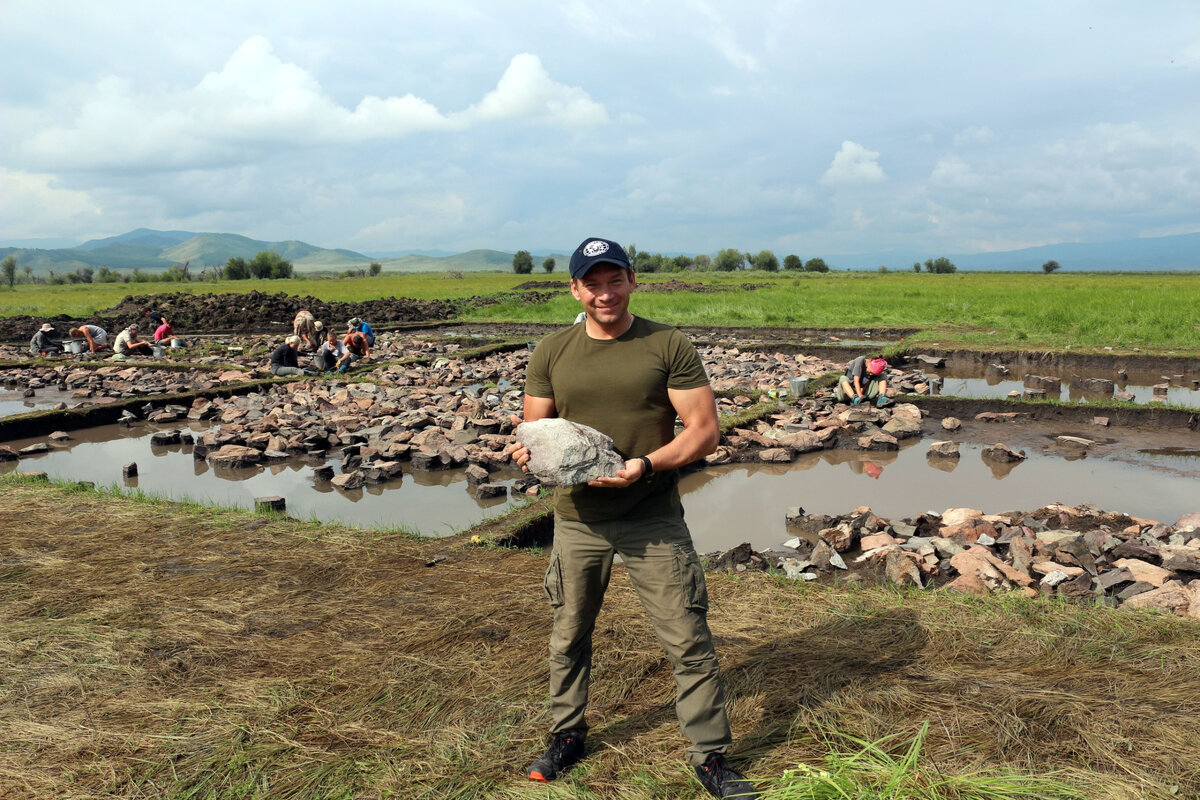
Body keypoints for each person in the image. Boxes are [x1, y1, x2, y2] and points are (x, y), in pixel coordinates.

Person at [507, 237, 758, 799]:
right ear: (575, 289)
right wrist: (525, 452)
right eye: (591, 283)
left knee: (687, 638)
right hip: (577, 520)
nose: (604, 293)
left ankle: (710, 756)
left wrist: (644, 465)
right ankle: (567, 734)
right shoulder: (551, 351)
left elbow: (704, 431)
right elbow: (535, 432)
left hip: (653, 517)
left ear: (631, 280)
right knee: (568, 635)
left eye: (613, 280)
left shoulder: (666, 343)